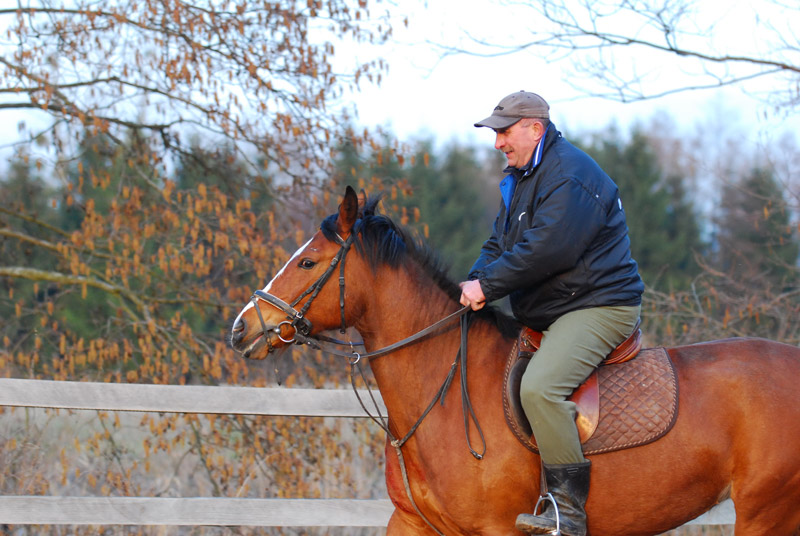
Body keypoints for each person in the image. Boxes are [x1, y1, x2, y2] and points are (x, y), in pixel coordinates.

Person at [459, 91, 644, 536]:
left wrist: (489, 285)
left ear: (534, 128)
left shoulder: (569, 174)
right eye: (496, 133)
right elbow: (499, 245)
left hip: (598, 305)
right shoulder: (523, 176)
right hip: (556, 308)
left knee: (540, 389)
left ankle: (567, 514)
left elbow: (548, 250)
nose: (498, 142)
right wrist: (471, 285)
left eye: (504, 131)